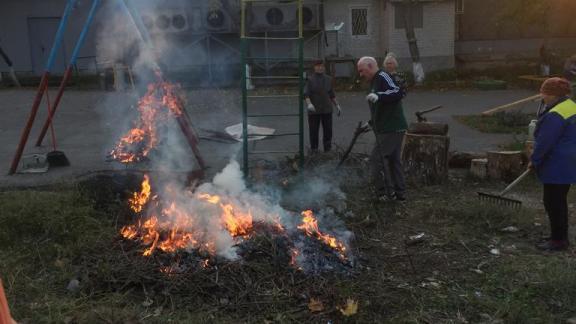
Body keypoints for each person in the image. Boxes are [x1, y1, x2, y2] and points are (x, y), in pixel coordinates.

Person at [530, 77, 576, 251]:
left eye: (545, 93)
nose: (543, 97)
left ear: (553, 94)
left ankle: (558, 241)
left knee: (553, 202)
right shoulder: (571, 106)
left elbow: (545, 142)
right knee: (559, 200)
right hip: (570, 160)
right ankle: (559, 236)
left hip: (557, 162)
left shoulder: (555, 114)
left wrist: (534, 160)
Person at [357, 56, 408, 201]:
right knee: (393, 160)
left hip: (392, 127)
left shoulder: (383, 76)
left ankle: (384, 193)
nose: (361, 74)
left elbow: (398, 92)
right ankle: (399, 193)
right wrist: (371, 123)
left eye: (362, 70)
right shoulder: (373, 81)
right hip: (386, 127)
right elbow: (380, 109)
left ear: (371, 66)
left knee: (376, 159)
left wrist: (378, 95)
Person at [304, 60, 342, 153]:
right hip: (314, 110)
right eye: (318, 66)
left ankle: (327, 151)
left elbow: (331, 94)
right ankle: (314, 151)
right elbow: (305, 94)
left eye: (322, 66)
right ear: (314, 67)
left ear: (324, 67)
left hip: (327, 110)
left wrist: (337, 105)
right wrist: (309, 104)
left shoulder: (328, 79)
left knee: (328, 132)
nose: (320, 68)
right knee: (313, 132)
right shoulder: (310, 79)